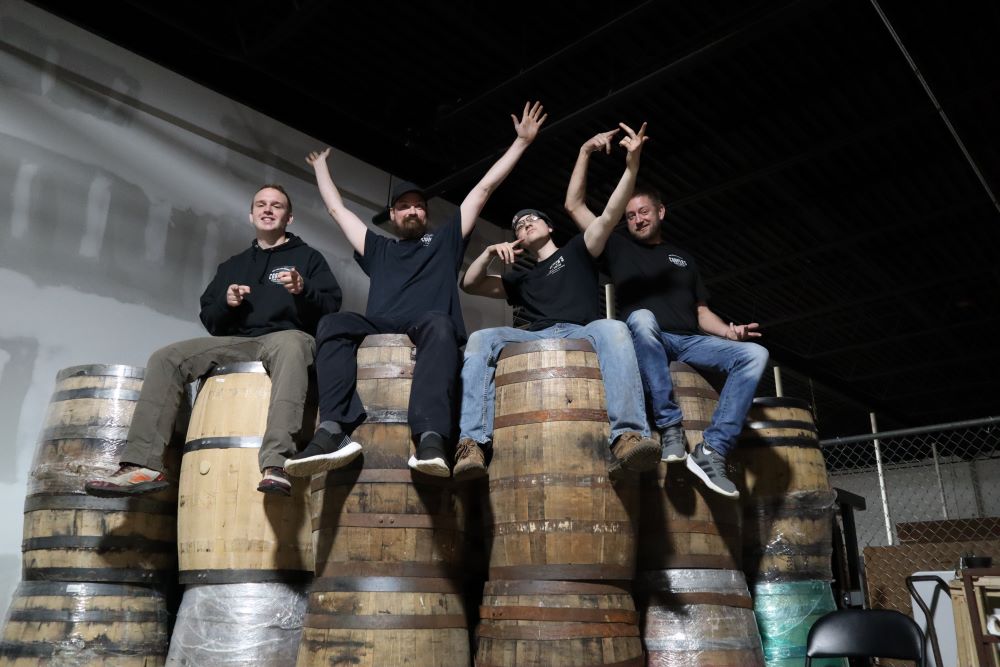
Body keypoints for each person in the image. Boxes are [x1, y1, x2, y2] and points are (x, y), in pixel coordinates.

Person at [288, 102, 547, 479]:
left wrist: (521, 143)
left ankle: (430, 437)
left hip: (426, 324)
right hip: (381, 323)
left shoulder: (444, 242)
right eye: (404, 207)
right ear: (392, 216)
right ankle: (333, 428)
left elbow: (484, 188)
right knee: (333, 324)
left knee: (440, 324)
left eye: (419, 207)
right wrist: (321, 168)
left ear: (426, 215)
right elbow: (337, 211)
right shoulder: (378, 249)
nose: (412, 211)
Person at [85, 184, 343, 498]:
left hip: (288, 337)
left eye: (276, 205)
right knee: (167, 357)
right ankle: (143, 465)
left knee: (292, 346)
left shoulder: (308, 258)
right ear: (251, 215)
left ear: (289, 217)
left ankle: (276, 463)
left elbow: (331, 308)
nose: (268, 209)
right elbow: (211, 321)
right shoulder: (233, 265)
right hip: (241, 340)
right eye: (261, 204)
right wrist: (227, 302)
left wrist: (304, 290)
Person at [564, 128, 769, 498]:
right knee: (641, 318)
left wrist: (729, 333)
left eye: (644, 212)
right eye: (630, 215)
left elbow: (701, 311)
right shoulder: (617, 247)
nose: (637, 219)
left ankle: (712, 450)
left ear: (660, 211)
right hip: (646, 339)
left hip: (690, 341)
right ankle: (671, 429)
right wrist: (584, 152)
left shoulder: (684, 258)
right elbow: (574, 207)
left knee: (755, 355)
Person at [453, 122, 659, 482]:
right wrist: (486, 253)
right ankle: (471, 443)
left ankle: (627, 435)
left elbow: (610, 213)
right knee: (480, 339)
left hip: (582, 329)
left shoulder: (579, 250)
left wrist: (631, 166)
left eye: (532, 219)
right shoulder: (521, 277)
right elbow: (469, 284)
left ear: (549, 227)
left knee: (614, 328)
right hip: (534, 335)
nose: (525, 224)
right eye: (518, 225)